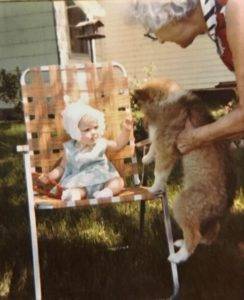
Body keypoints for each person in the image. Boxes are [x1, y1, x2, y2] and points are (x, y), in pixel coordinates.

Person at [131, 0, 244, 153]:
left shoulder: (235, 10)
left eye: (151, 29)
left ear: (170, 14)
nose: (161, 40)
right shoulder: (219, 24)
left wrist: (196, 138)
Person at [38, 100, 133, 202]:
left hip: (103, 179)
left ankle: (106, 192)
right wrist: (50, 176)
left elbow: (118, 144)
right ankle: (75, 194)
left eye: (95, 127)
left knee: (118, 182)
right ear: (76, 132)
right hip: (80, 181)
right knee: (79, 190)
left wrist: (126, 131)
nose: (93, 132)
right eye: (87, 130)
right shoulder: (70, 148)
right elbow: (61, 167)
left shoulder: (101, 142)